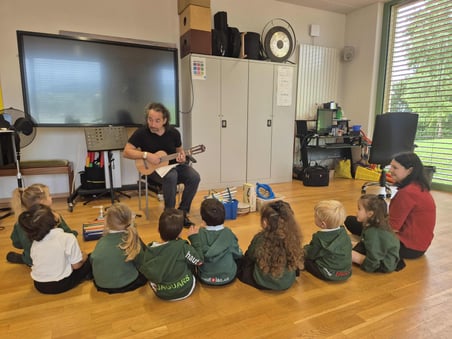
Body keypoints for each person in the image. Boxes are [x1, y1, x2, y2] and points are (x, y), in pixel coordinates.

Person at [345, 152, 436, 259]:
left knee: (354, 223)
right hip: (420, 245)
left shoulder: (407, 193)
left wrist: (370, 222)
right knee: (354, 221)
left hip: (407, 247)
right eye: (391, 166)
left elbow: (392, 226)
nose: (390, 171)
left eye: (395, 168)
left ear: (409, 170)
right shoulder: (419, 187)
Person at [123, 102, 200, 227]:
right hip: (153, 171)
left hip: (174, 167)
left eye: (157, 120)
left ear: (164, 120)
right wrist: (146, 155)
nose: (152, 124)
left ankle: (182, 213)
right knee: (171, 176)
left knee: (194, 177)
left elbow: (179, 151)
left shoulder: (174, 133)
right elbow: (126, 152)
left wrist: (181, 157)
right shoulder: (141, 133)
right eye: (150, 120)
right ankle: (169, 216)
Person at [18, 204, 92, 294]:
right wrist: (84, 257)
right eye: (52, 211)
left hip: (39, 285)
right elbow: (76, 266)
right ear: (53, 219)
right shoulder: (67, 238)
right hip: (60, 284)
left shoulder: (35, 242)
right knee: (91, 257)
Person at [137, 208, 203, 301]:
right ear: (180, 233)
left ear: (158, 230)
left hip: (161, 293)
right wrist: (194, 238)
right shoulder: (183, 247)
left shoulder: (150, 249)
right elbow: (199, 262)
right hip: (185, 289)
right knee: (188, 260)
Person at [237, 200, 303, 291]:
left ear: (265, 222)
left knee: (242, 264)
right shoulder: (293, 237)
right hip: (287, 281)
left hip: (262, 282)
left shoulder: (260, 238)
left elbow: (250, 256)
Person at [7, 183, 78, 265]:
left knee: (30, 256)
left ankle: (25, 259)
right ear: (41, 201)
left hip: (32, 260)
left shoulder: (21, 221)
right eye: (49, 195)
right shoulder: (54, 216)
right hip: (53, 260)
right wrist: (75, 233)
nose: (51, 197)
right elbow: (68, 234)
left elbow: (16, 243)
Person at [90, 203, 147, 294]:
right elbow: (142, 263)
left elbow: (93, 260)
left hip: (101, 284)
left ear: (107, 222)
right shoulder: (131, 239)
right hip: (127, 283)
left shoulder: (102, 240)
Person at [196, 198, 243, 286]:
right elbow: (238, 254)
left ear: (203, 220)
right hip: (228, 277)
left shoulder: (199, 234)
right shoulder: (228, 234)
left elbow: (196, 256)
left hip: (205, 277)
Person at [351, 194, 402, 273]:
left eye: (359, 209)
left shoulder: (373, 233)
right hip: (380, 255)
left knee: (349, 254)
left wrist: (360, 259)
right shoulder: (373, 225)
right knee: (350, 245)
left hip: (383, 263)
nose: (356, 212)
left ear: (370, 214)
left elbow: (374, 259)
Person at [303, 200, 352, 281]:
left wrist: (304, 249)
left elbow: (311, 254)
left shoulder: (319, 238)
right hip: (346, 272)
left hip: (328, 273)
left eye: (315, 216)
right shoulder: (344, 232)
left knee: (305, 260)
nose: (314, 217)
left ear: (323, 224)